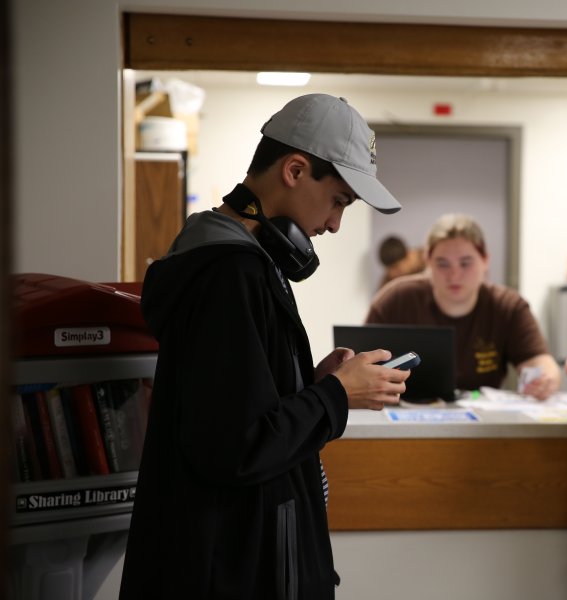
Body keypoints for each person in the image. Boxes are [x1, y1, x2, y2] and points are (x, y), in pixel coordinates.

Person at [119, 94, 412, 600]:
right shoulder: (231, 274)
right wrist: (336, 396)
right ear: (295, 170)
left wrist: (313, 384)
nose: (335, 224)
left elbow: (237, 409)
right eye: (339, 200)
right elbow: (236, 448)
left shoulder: (238, 264)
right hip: (232, 573)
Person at [366, 213, 561, 399]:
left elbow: (538, 361)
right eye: (443, 264)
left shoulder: (509, 306)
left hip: (481, 425)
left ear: (485, 261)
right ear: (428, 262)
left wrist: (544, 379)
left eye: (465, 263)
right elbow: (362, 364)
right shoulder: (395, 299)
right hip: (398, 418)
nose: (454, 275)